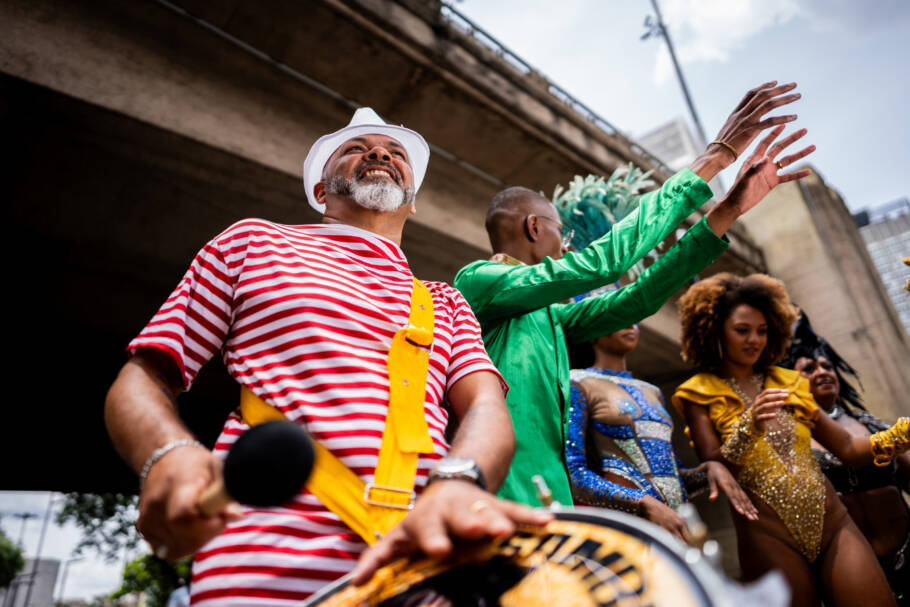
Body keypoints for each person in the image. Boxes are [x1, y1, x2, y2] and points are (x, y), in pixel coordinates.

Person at [104, 107, 550, 605]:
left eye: (395, 153)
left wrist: (459, 480)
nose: (379, 153)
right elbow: (144, 375)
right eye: (356, 148)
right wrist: (167, 454)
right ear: (320, 189)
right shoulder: (251, 243)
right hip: (259, 561)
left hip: (421, 564)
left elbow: (487, 409)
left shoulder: (445, 301)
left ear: (414, 203)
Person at [455, 80, 813, 507]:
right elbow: (604, 265)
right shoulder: (479, 282)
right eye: (560, 232)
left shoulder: (546, 314)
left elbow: (636, 300)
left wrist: (725, 212)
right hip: (500, 493)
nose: (566, 244)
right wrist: (714, 158)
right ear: (534, 228)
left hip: (552, 499)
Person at [672, 273, 910, 607]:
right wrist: (749, 426)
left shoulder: (788, 382)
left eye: (762, 330)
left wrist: (903, 434)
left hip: (833, 523)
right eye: (742, 330)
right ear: (714, 331)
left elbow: (847, 448)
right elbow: (714, 461)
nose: (754, 339)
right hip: (767, 534)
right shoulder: (699, 393)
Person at [566, 323, 758, 540]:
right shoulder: (577, 382)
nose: (630, 324)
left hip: (676, 525)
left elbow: (672, 475)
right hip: (627, 527)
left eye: (635, 318)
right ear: (592, 328)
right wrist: (644, 503)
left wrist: (709, 470)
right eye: (619, 317)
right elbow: (574, 476)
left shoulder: (653, 391)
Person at [781, 313, 910, 605]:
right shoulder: (788, 437)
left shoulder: (871, 424)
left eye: (827, 366)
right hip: (847, 571)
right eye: (809, 369)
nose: (822, 372)